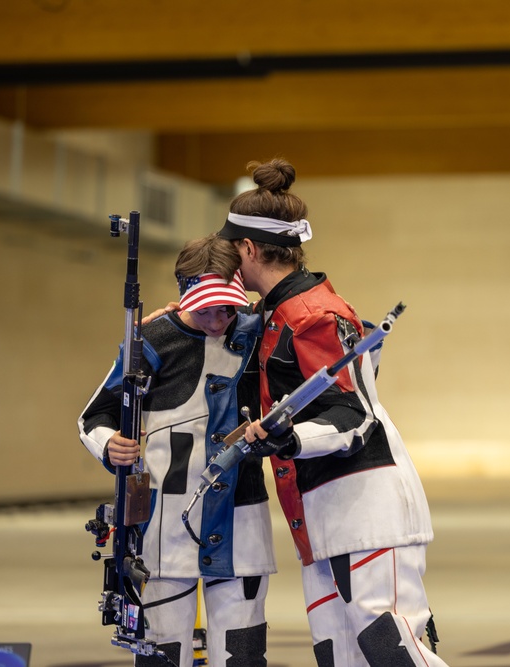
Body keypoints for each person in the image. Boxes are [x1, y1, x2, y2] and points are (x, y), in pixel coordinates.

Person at [218, 158, 449, 667]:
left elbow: (353, 414)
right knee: (341, 657)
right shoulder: (282, 310)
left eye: (232, 252)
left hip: (364, 510)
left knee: (394, 655)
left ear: (250, 249)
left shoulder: (310, 313)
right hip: (323, 514)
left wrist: (287, 437)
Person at [78, 234, 275, 667]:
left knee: (242, 654)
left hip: (242, 517)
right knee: (163, 653)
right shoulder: (152, 337)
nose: (218, 319)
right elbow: (93, 416)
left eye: (227, 306)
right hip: (165, 524)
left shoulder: (260, 328)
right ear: (185, 294)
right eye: (206, 307)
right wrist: (109, 444)